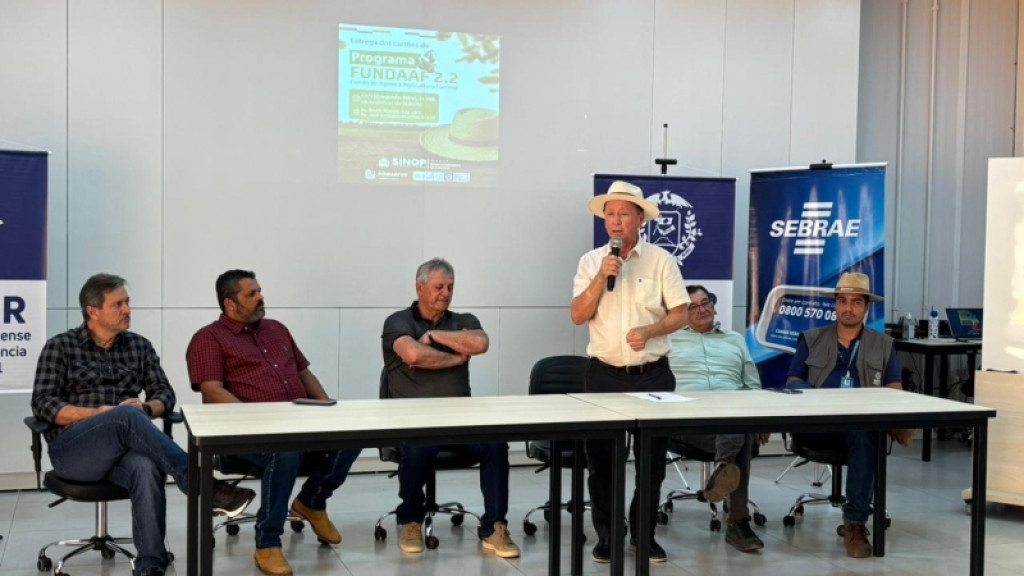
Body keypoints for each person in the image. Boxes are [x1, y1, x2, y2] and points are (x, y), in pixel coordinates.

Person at [31, 274, 255, 576]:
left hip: (123, 450)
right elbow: (43, 403)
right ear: (92, 311)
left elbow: (165, 395)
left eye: (127, 302)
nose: (127, 309)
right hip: (74, 452)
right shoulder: (60, 347)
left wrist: (147, 408)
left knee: (146, 466)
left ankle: (151, 565)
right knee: (124, 415)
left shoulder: (139, 346)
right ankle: (202, 483)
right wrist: (98, 414)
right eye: (118, 304)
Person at [186, 270, 361, 576]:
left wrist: (328, 409)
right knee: (286, 452)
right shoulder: (208, 338)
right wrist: (255, 421)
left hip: (297, 424)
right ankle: (267, 543)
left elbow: (304, 373)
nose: (261, 297)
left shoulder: (277, 329)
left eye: (260, 291)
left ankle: (312, 501)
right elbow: (212, 389)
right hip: (245, 435)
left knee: (354, 434)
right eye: (251, 294)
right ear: (230, 303)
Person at [570, 180, 689, 563]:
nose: (616, 221)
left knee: (651, 464)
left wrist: (650, 331)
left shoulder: (661, 260)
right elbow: (577, 315)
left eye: (624, 213)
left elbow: (682, 313)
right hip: (602, 376)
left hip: (652, 375)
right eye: (610, 214)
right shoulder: (592, 261)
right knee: (602, 463)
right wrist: (600, 277)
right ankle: (607, 536)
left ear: (640, 218)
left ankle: (643, 535)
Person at [380, 258, 519, 559]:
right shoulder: (397, 322)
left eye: (450, 287)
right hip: (414, 424)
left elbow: (480, 343)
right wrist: (455, 357)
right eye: (439, 287)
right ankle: (410, 519)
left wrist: (434, 336)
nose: (446, 293)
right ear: (420, 288)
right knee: (419, 445)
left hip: (460, 423)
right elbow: (413, 354)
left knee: (495, 442)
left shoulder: (462, 319)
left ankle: (495, 526)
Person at [786, 271, 912, 559]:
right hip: (817, 425)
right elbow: (792, 381)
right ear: (835, 304)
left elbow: (894, 389)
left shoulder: (883, 344)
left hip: (861, 426)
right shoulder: (812, 339)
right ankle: (856, 518)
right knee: (861, 431)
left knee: (863, 431)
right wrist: (821, 398)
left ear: (866, 307)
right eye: (842, 301)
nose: (848, 308)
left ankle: (854, 524)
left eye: (856, 302)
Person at [668, 285, 765, 552]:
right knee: (739, 431)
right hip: (688, 420)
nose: (702, 309)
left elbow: (752, 385)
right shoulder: (668, 342)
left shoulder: (735, 339)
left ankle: (723, 467)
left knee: (738, 424)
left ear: (713, 304)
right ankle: (738, 524)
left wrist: (760, 418)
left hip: (731, 415)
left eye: (706, 302)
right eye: (693, 306)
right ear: (682, 313)